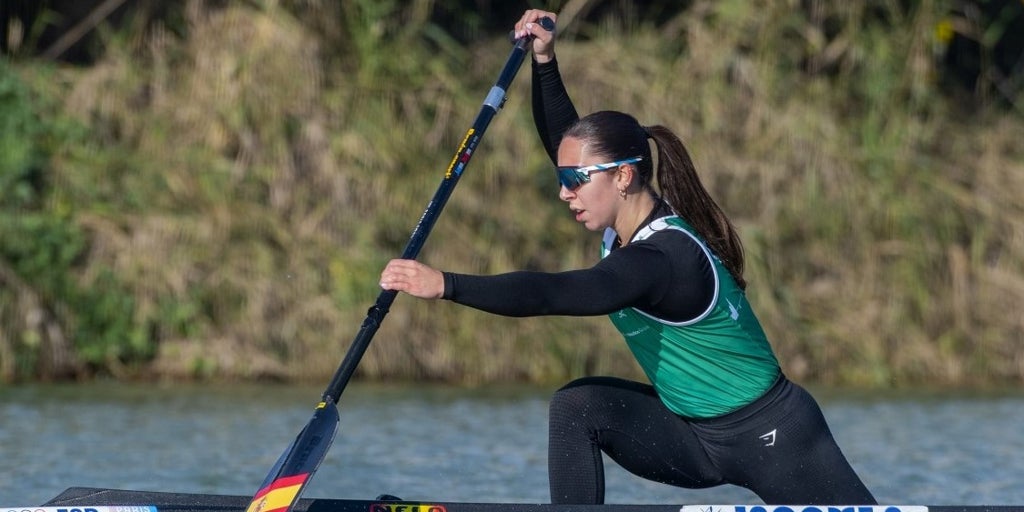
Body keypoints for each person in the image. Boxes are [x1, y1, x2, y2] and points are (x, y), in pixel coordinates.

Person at [379, 9, 876, 506]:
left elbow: (561, 293)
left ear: (623, 177)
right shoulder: (622, 221)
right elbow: (565, 141)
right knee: (577, 407)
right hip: (694, 439)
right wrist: (545, 60)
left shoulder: (661, 258)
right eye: (561, 179)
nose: (564, 192)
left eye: (575, 182)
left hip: (774, 438)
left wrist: (447, 284)